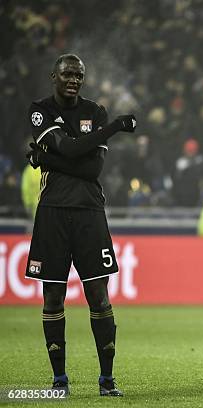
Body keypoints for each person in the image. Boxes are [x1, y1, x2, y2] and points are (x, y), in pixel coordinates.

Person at [24, 54, 136, 396]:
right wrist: (114, 127)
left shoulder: (95, 112)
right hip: (53, 212)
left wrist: (45, 158)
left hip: (89, 212)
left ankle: (106, 380)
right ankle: (60, 380)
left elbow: (91, 170)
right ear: (53, 76)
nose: (73, 79)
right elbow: (72, 150)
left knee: (99, 297)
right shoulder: (39, 110)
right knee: (53, 298)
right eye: (67, 74)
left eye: (79, 74)